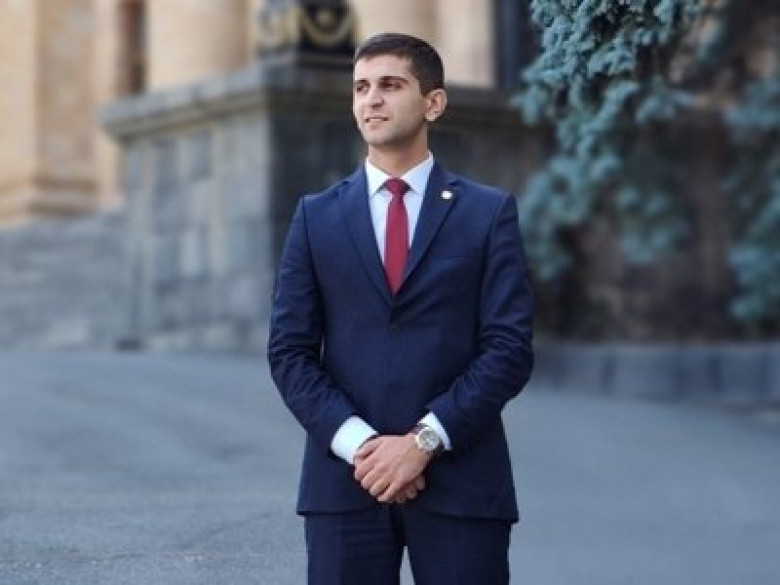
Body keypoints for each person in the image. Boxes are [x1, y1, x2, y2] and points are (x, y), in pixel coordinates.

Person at [267, 32, 534, 585]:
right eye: (361, 87)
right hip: (346, 485)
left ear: (433, 102)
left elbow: (509, 348)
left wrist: (423, 442)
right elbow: (290, 352)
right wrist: (364, 448)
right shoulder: (316, 217)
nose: (372, 99)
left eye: (390, 85)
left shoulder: (487, 214)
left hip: (462, 482)